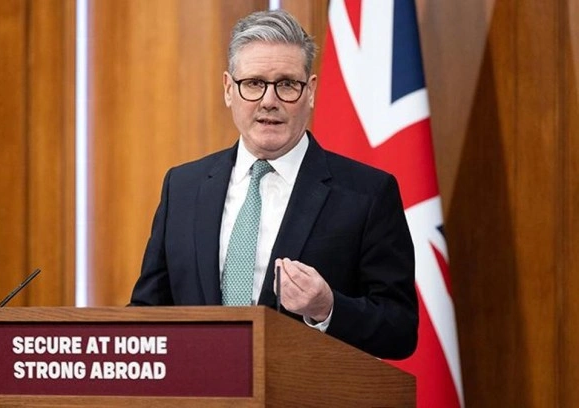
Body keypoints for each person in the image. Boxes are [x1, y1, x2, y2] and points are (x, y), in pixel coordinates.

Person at [129, 9, 417, 360]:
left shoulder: (367, 194)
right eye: (253, 83)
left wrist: (327, 308)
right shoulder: (183, 187)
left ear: (310, 91)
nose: (269, 101)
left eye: (287, 84)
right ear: (228, 89)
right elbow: (146, 313)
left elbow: (400, 330)